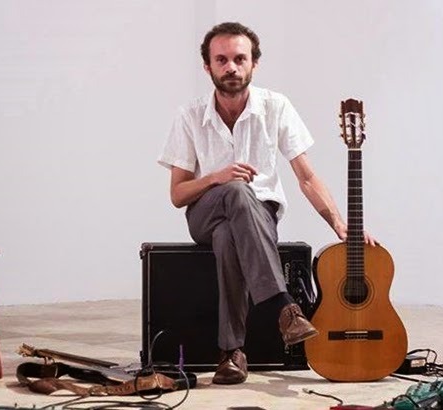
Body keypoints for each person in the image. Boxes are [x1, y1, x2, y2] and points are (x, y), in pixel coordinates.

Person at [158, 22, 376, 385]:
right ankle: (283, 307)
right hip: (205, 214)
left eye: (239, 59)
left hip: (258, 218)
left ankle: (232, 353)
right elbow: (178, 195)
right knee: (236, 191)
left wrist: (340, 223)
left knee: (229, 237)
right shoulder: (189, 115)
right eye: (221, 60)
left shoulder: (276, 106)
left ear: (254, 64)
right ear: (207, 67)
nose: (231, 67)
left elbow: (307, 176)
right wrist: (216, 177)